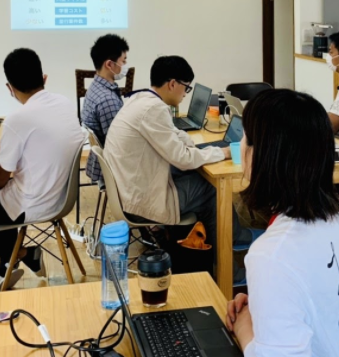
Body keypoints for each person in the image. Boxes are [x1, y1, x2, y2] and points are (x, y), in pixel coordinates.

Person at [226, 89, 339, 355]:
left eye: (246, 136)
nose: (242, 143)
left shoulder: (272, 255)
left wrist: (243, 325)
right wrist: (264, 303)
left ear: (266, 155)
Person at [104, 55, 251, 248]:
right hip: (140, 202)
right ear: (173, 84)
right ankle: (228, 249)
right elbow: (183, 159)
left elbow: (175, 134)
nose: (185, 94)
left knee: (193, 175)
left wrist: (193, 147)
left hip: (129, 192)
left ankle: (210, 242)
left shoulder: (140, 100)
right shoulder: (153, 109)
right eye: (186, 88)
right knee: (211, 188)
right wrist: (223, 153)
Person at [0, 48, 84, 287]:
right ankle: (8, 265)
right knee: (0, 198)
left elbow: (0, 179)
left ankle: (21, 255)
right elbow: (41, 141)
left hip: (34, 203)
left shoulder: (18, 119)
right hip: (62, 197)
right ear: (44, 78)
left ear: (9, 88)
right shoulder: (63, 103)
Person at [82, 34, 129, 183]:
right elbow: (120, 145)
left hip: (102, 163)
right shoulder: (107, 100)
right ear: (109, 64)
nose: (125, 65)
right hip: (114, 170)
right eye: (123, 61)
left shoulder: (95, 88)